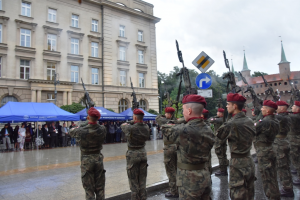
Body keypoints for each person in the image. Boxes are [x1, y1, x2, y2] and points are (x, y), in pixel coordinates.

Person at [162, 95, 215, 199]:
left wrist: (178, 121)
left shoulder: (182, 131)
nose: (182, 112)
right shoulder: (208, 129)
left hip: (188, 180)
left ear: (189, 111)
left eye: (183, 110)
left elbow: (165, 129)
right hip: (205, 175)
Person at [217, 93, 255, 199]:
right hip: (249, 159)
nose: (226, 106)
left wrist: (228, 118)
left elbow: (219, 136)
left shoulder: (231, 124)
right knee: (249, 191)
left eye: (228, 104)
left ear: (234, 106)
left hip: (237, 163)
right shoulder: (250, 121)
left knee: (237, 192)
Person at [70, 107, 106, 200]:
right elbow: (96, 124)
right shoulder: (102, 129)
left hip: (86, 161)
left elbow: (71, 131)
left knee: (89, 190)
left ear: (88, 117)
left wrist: (84, 123)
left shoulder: (81, 131)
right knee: (100, 189)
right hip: (98, 159)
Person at [121, 109, 150, 200]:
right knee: (142, 180)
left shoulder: (130, 127)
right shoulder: (146, 127)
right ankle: (143, 197)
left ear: (134, 117)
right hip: (142, 153)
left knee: (133, 181)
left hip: (132, 154)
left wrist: (131, 121)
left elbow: (122, 125)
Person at [254, 100, 280, 199]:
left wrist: (258, 118)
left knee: (267, 178)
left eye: (263, 108)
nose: (261, 109)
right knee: (272, 176)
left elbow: (253, 129)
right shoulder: (275, 120)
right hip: (270, 148)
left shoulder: (264, 121)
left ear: (268, 111)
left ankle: (272, 197)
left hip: (264, 151)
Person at [156, 107, 178, 198]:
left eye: (166, 113)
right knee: (177, 169)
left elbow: (157, 118)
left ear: (169, 114)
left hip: (169, 148)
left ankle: (173, 191)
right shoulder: (177, 121)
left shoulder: (165, 122)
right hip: (177, 147)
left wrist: (163, 115)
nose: (165, 115)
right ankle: (179, 188)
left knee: (170, 170)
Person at [274, 101, 294, 197]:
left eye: (277, 106)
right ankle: (288, 187)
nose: (276, 108)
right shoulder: (287, 116)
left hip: (280, 143)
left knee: (282, 167)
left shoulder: (280, 117)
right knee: (286, 166)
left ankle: (287, 188)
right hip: (284, 140)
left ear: (282, 108)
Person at [209, 108, 229, 176]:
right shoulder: (224, 119)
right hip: (223, 139)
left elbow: (210, 120)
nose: (217, 113)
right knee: (223, 155)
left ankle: (223, 170)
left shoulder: (219, 120)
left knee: (220, 155)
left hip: (219, 140)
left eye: (218, 112)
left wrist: (215, 117)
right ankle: (224, 169)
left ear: (221, 113)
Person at [288, 101, 300, 185]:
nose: (292, 107)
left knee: (296, 159)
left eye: (294, 106)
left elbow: (284, 116)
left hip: (295, 140)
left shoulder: (295, 117)